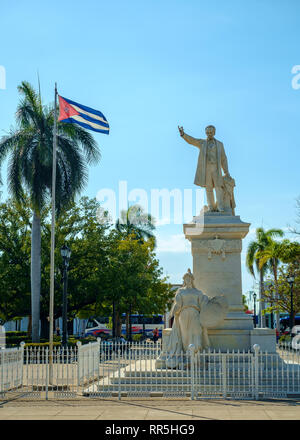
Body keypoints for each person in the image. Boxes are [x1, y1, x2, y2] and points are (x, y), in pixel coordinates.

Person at [178, 125, 230, 212]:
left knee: (218, 187)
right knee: (208, 188)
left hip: (216, 168)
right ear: (206, 133)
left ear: (214, 133)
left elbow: (223, 158)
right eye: (208, 132)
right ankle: (211, 207)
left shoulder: (220, 144)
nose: (209, 134)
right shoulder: (202, 143)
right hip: (206, 168)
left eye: (211, 132)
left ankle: (220, 207)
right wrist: (183, 134)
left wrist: (226, 171)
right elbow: (192, 141)